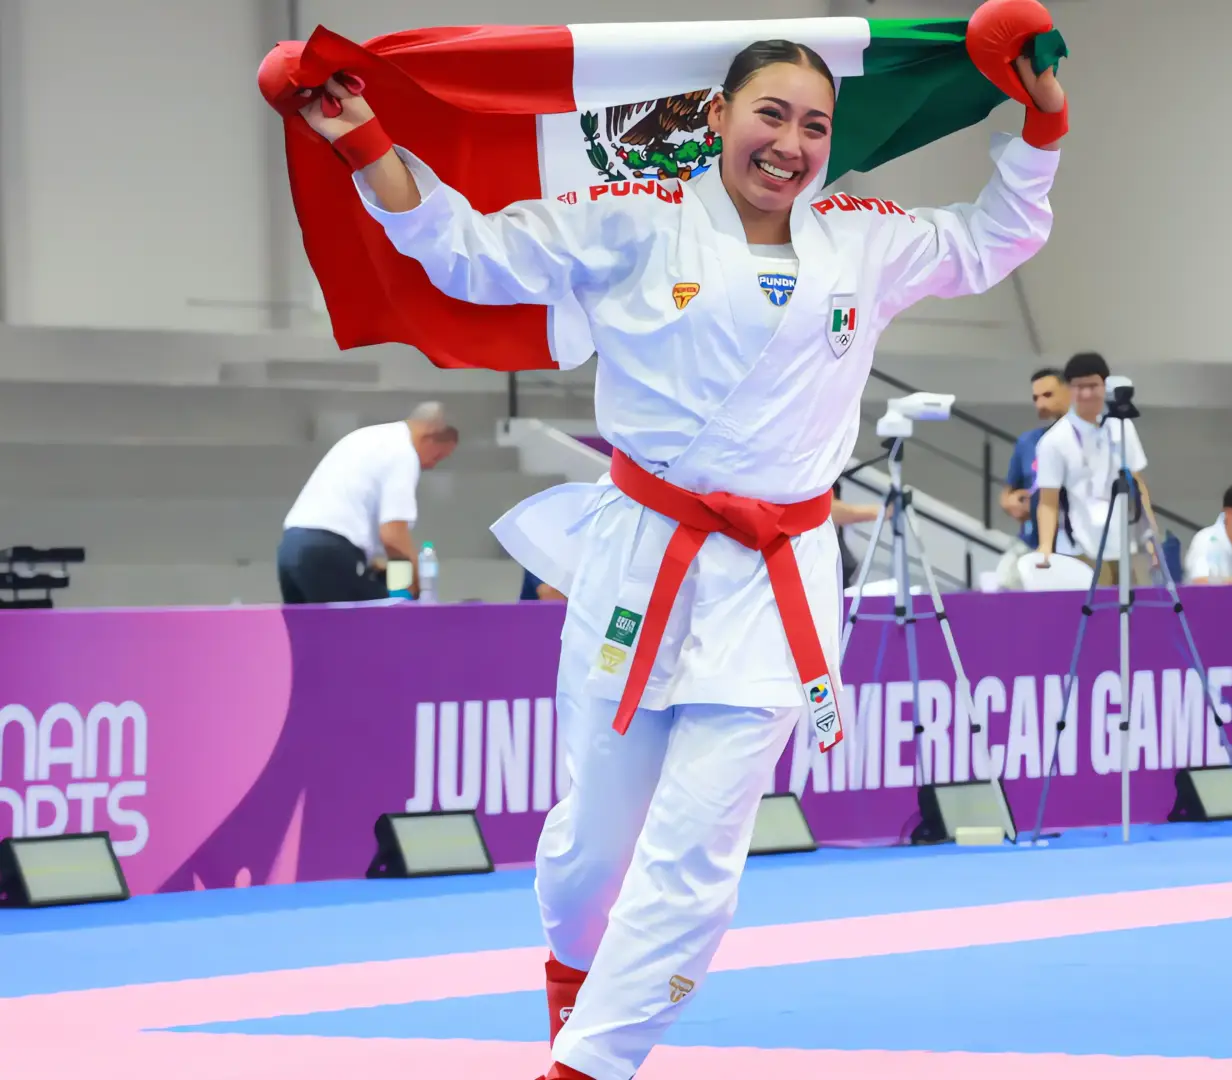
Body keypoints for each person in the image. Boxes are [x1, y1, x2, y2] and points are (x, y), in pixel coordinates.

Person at [298, 26, 1065, 1080]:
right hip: (639, 559)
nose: (791, 143)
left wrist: (1044, 123)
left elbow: (996, 238)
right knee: (589, 855)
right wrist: (363, 137)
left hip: (776, 581)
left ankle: (590, 1064)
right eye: (770, 115)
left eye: (814, 125)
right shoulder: (636, 220)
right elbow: (469, 251)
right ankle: (571, 972)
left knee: (694, 855)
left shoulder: (861, 240)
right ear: (716, 119)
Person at [276, 402, 458, 604]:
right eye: (438, 456)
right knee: (370, 630)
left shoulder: (369, 437)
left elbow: (387, 544)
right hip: (327, 552)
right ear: (429, 436)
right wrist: (414, 588)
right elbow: (393, 536)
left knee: (310, 634)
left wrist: (394, 582)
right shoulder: (404, 453)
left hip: (290, 549)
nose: (432, 466)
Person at [1033, 352, 1159, 585]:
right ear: (1069, 390)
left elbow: (1138, 484)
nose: (1087, 394)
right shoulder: (1054, 441)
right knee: (1093, 616)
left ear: (1105, 386)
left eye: (1093, 385)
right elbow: (1048, 501)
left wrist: (1151, 535)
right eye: (1079, 387)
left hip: (1124, 543)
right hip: (1080, 546)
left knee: (1135, 614)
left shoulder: (1122, 426)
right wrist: (1044, 548)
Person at [994, 366, 1067, 588]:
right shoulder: (1028, 442)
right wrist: (1011, 503)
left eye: (1048, 395)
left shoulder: (1086, 439)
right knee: (1004, 582)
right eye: (1036, 398)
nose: (1041, 404)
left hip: (1074, 542)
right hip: (1031, 541)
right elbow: (1007, 492)